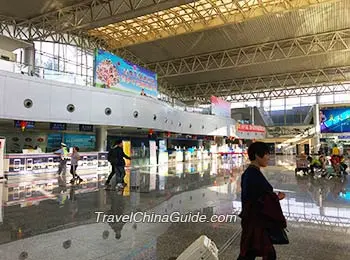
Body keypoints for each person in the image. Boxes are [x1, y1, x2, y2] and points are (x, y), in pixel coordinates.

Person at [237, 142, 287, 260]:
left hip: (255, 221)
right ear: (256, 155)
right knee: (257, 253)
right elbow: (257, 199)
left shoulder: (253, 172)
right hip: (256, 222)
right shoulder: (252, 174)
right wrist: (276, 197)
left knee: (252, 253)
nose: (268, 158)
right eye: (266, 154)